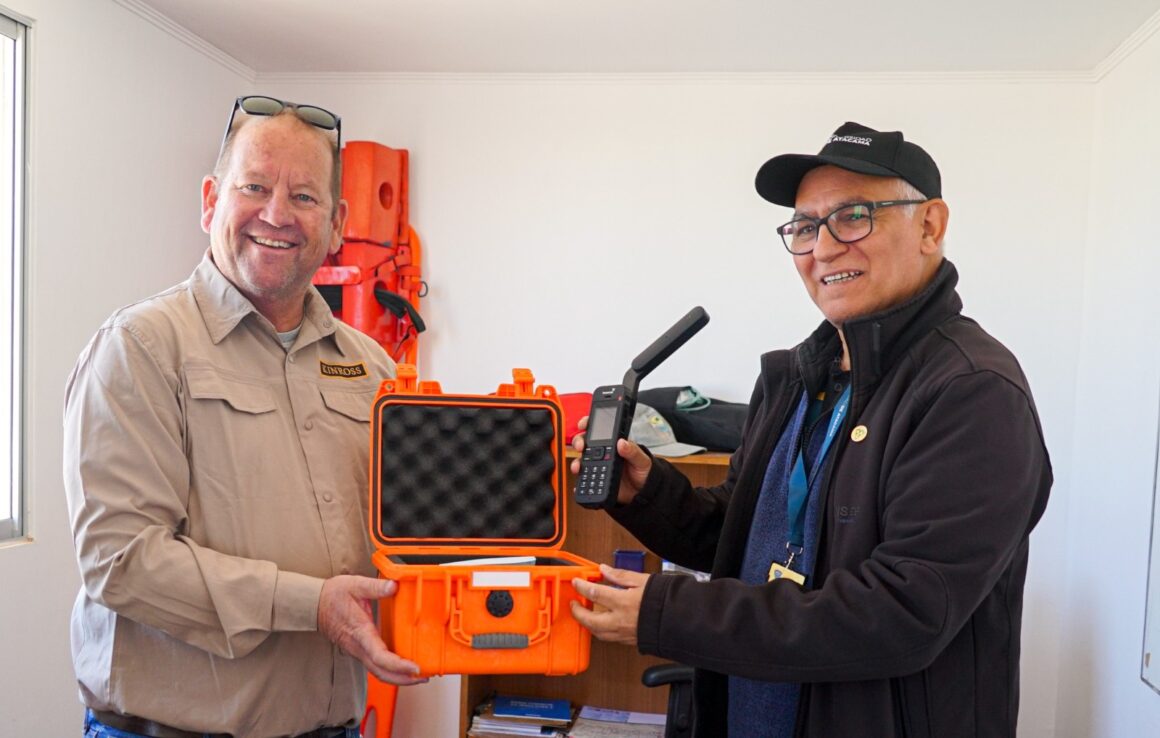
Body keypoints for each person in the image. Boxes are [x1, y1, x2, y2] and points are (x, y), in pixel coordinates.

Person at [570, 121, 1052, 738]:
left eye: (854, 216)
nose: (822, 249)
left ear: (929, 226)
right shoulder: (796, 377)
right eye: (804, 226)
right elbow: (750, 539)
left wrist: (667, 612)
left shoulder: (972, 391)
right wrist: (648, 494)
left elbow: (900, 614)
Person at [64, 96, 424, 738]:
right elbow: (120, 558)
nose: (277, 214)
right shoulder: (142, 348)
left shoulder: (372, 367)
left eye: (305, 197)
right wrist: (312, 607)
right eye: (253, 186)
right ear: (210, 201)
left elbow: (403, 532)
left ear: (337, 222)